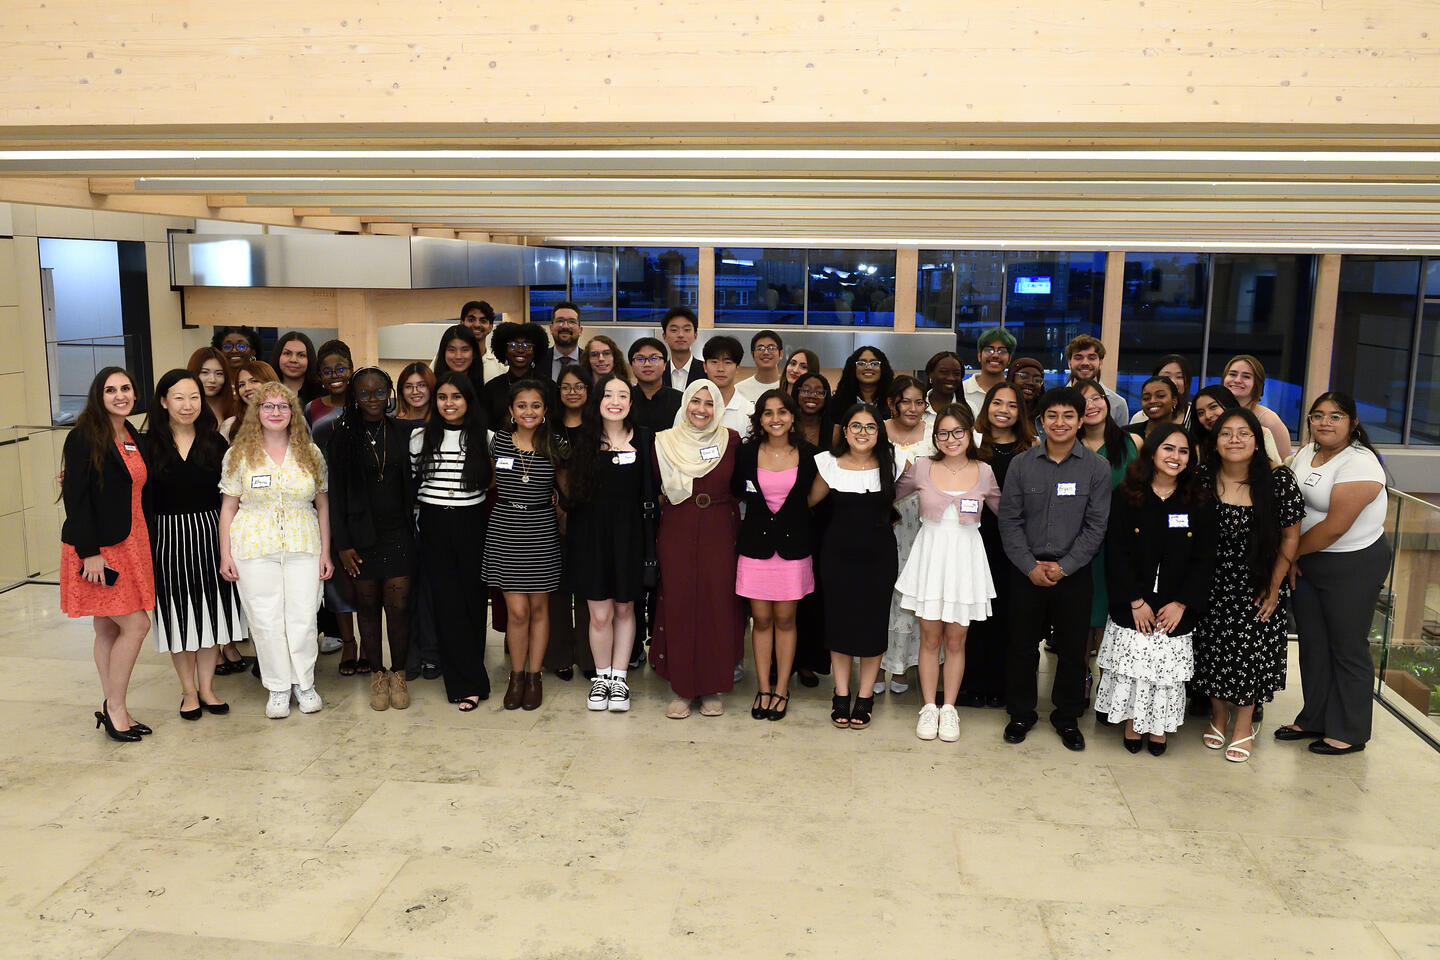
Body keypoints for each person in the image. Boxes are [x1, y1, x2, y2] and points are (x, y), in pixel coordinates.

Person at [998, 386, 1111, 752]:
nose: (1059, 423)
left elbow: (1096, 526)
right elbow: (1009, 521)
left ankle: (1067, 716)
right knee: (1020, 647)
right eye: (1052, 416)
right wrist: (1030, 566)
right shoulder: (1021, 464)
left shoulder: (1097, 467)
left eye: (1068, 416)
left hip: (1074, 574)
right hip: (1026, 571)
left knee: (1073, 651)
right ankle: (1020, 713)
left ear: (1080, 421)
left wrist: (1064, 567)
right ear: (1040, 421)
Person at [1095, 425, 1216, 755]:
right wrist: (1134, 600)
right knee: (1134, 665)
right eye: (1168, 448)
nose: (1175, 457)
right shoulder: (1127, 494)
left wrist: (1182, 603)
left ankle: (1160, 727)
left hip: (1176, 605)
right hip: (1134, 600)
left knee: (1165, 670)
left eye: (1183, 451)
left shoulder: (1198, 499)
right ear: (1151, 452)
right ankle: (1133, 723)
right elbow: (1115, 551)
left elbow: (1205, 558)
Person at [1191, 407, 1303, 762]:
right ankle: (1218, 716)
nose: (1234, 439)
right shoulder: (1202, 477)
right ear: (1215, 440)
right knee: (1208, 651)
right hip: (1208, 580)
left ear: (1258, 440)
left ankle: (1242, 724)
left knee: (1248, 656)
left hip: (1257, 582)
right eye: (1226, 433)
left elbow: (1289, 538)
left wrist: (1274, 586)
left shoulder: (1278, 480)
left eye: (1244, 433)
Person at [1280, 392, 1390, 755]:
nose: (1325, 422)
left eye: (1336, 416)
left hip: (1352, 564)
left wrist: (1290, 556)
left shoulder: (1361, 463)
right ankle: (1314, 718)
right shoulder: (1304, 455)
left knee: (1346, 646)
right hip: (1308, 560)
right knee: (1312, 643)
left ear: (1353, 423)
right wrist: (1294, 558)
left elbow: (1336, 526)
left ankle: (1350, 730)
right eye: (1318, 415)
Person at [218, 382, 333, 720]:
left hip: (304, 543)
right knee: (265, 619)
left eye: (283, 406)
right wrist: (225, 554)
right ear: (257, 412)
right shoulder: (238, 454)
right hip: (253, 545)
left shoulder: (310, 453)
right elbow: (228, 507)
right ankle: (278, 687)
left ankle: (304, 683)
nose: (275, 412)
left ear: (293, 412)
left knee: (302, 616)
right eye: (268, 406)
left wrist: (326, 552)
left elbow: (322, 504)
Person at [60, 367, 156, 742]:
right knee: (136, 625)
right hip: (100, 549)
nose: (121, 396)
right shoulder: (83, 437)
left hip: (132, 541)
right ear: (98, 395)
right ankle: (114, 708)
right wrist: (90, 553)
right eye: (111, 390)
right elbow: (76, 499)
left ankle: (116, 706)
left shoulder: (131, 432)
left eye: (126, 388)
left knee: (107, 626)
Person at [894, 404, 1000, 742]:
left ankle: (949, 708)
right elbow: (889, 496)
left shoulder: (984, 471)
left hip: (966, 559)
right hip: (931, 555)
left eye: (958, 432)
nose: (951, 439)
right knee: (929, 637)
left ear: (970, 433)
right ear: (935, 437)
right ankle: (928, 706)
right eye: (943, 433)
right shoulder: (922, 468)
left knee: (956, 640)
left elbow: (1008, 512)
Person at [143, 369, 244, 720]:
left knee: (210, 615)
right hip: (166, 539)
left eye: (194, 397)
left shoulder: (216, 443)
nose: (188, 405)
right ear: (163, 401)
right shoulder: (147, 445)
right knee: (178, 617)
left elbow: (232, 495)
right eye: (179, 397)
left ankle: (207, 689)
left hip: (209, 534)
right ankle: (188, 692)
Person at [650, 379, 746, 718]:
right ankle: (681, 687)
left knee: (717, 604)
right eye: (695, 401)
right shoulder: (664, 442)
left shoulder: (731, 440)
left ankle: (710, 686)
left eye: (709, 403)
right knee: (678, 601)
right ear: (685, 403)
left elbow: (740, 485)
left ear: (717, 407)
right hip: (678, 524)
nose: (701, 409)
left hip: (720, 528)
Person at [565, 374, 654, 712]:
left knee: (625, 607)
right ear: (597, 401)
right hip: (590, 536)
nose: (615, 401)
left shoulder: (645, 439)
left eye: (622, 396)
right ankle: (601, 678)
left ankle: (620, 679)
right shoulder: (581, 440)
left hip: (630, 535)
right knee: (598, 614)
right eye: (608, 395)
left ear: (631, 403)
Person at [328, 367, 415, 712]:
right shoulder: (342, 437)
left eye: (380, 392)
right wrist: (342, 544)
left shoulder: (404, 431)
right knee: (367, 608)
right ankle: (377, 673)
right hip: (359, 538)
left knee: (398, 609)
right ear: (354, 397)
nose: (373, 400)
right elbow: (334, 496)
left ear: (390, 392)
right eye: (364, 394)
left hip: (399, 534)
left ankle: (399, 672)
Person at [809, 402, 900, 730]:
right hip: (837, 557)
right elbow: (809, 502)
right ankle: (841, 692)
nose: (863, 432)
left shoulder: (895, 463)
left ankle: (865, 697)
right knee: (840, 624)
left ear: (880, 432)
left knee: (873, 625)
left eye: (870, 426)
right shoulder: (828, 463)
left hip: (879, 559)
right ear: (844, 431)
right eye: (856, 426)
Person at [410, 372, 493, 711]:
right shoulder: (419, 438)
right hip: (434, 523)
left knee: (473, 602)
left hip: (472, 523)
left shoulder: (485, 438)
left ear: (468, 401)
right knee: (446, 604)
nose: (449, 403)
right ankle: (464, 684)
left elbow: (492, 482)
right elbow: (414, 485)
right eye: (442, 397)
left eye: (456, 397)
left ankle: (474, 676)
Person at [733, 389, 817, 722]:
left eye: (782, 412)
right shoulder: (746, 452)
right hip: (755, 548)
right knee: (762, 620)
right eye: (768, 413)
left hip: (793, 549)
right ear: (760, 419)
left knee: (785, 619)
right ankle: (763, 687)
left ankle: (782, 688)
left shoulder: (810, 454)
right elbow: (738, 491)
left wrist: (795, 512)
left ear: (793, 416)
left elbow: (815, 494)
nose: (776, 419)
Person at [482, 379, 565, 710]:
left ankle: (534, 677)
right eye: (522, 405)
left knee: (539, 608)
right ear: (511, 410)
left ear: (545, 410)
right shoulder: (498, 442)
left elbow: (567, 490)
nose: (528, 411)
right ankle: (516, 676)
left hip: (541, 529)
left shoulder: (556, 444)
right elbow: (489, 482)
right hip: (505, 528)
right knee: (516, 612)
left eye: (535, 405)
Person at [959, 382, 1036, 708]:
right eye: (997, 403)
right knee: (974, 616)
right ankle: (972, 684)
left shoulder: (1030, 450)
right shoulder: (972, 446)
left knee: (1008, 615)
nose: (1003, 410)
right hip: (974, 539)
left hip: (1014, 545)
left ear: (1021, 412)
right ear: (986, 407)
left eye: (1012, 405)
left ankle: (1003, 686)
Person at [1076, 377, 1140, 664]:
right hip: (1076, 543)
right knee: (1080, 616)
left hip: (1118, 543)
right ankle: (1081, 681)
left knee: (1110, 616)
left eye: (1096, 397)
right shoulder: (1067, 444)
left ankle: (1108, 685)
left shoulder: (1131, 443)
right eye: (1083, 400)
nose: (1091, 405)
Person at [880, 375, 936, 695]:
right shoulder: (877, 430)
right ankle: (877, 668)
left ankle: (903, 668)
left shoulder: (934, 433)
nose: (913, 408)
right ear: (893, 403)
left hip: (924, 525)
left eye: (919, 402)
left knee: (914, 595)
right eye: (906, 401)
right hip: (886, 523)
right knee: (884, 595)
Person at [547, 366, 596, 682]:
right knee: (558, 589)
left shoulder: (598, 427)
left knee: (590, 589)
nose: (573, 392)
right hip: (553, 517)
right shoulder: (548, 429)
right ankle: (560, 656)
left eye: (579, 386)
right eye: (566, 386)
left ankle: (590, 657)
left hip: (592, 516)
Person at [1221, 354, 1293, 460]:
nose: (1237, 380)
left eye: (1246, 376)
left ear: (1257, 383)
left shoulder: (1269, 420)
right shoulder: (1217, 413)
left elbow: (1285, 466)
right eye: (1232, 374)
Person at [1190, 384, 1282, 464]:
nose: (1208, 415)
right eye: (1201, 413)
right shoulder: (1198, 447)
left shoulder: (1261, 433)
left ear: (1228, 404)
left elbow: (1275, 470)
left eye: (1213, 407)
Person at [484, 320, 552, 426]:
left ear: (535, 352)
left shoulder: (548, 386)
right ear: (504, 350)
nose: (520, 350)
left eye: (527, 345)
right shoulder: (492, 388)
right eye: (513, 345)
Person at [1065, 334, 1129, 425]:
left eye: (1091, 358)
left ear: (1101, 362)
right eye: (1078, 358)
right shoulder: (1054, 400)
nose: (1085, 363)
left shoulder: (1118, 404)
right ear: (1069, 363)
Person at [829, 346, 894, 432]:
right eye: (862, 363)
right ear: (853, 368)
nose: (868, 367)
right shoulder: (836, 403)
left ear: (883, 368)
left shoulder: (893, 402)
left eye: (874, 363)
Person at [702, 335, 755, 434]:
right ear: (705, 366)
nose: (720, 368)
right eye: (714, 362)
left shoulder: (749, 412)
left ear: (737, 368)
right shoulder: (689, 409)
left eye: (727, 362)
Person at [628, 337, 682, 432]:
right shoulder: (625, 400)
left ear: (665, 364)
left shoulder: (681, 400)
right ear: (632, 366)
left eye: (654, 358)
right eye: (640, 359)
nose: (647, 364)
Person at [220, 359, 278, 443]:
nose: (247, 388)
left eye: (254, 381)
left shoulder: (291, 418)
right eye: (241, 385)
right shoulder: (230, 425)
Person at [432, 324, 491, 405]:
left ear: (474, 353)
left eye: (465, 350)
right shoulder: (431, 390)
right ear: (443, 353)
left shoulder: (487, 394)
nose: (458, 356)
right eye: (452, 350)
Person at [962, 329, 1014, 417]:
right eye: (989, 350)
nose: (995, 355)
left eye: (1002, 351)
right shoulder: (962, 390)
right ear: (979, 356)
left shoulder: (1016, 392)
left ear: (1009, 359)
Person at [1129, 354, 1192, 426]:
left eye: (1179, 377)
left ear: (1187, 382)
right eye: (1166, 377)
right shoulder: (1139, 418)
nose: (1173, 382)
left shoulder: (1195, 416)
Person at [306, 339, 352, 434]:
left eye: (340, 369)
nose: (334, 376)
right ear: (320, 376)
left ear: (351, 370)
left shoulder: (363, 405)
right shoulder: (311, 408)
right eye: (327, 372)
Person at [459, 299, 507, 382]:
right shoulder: (449, 359)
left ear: (490, 327)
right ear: (462, 323)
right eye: (471, 320)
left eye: (483, 321)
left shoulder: (500, 367)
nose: (477, 325)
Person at [187, 346, 236, 427]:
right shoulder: (185, 408)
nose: (212, 380)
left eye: (219, 373)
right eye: (205, 372)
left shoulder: (235, 406)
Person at [1126, 375, 1183, 441]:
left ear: (1174, 401)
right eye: (1146, 398)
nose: (1152, 401)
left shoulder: (1183, 436)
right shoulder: (1127, 434)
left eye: (1160, 396)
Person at [271, 331, 322, 404]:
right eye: (287, 353)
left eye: (301, 355)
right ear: (278, 356)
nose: (293, 360)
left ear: (310, 359)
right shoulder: (264, 391)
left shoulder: (322, 395)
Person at [660, 306, 705, 390]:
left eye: (687, 330)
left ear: (695, 335)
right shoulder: (658, 372)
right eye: (674, 330)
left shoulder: (706, 371)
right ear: (664, 336)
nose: (681, 334)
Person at [735, 329, 785, 404]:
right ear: (752, 354)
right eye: (760, 348)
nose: (766, 352)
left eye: (771, 348)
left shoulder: (787, 387)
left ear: (781, 354)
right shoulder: (739, 390)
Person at [924, 350, 966, 421]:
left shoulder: (969, 408)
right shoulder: (916, 407)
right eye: (944, 372)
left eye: (956, 373)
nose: (951, 378)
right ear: (930, 374)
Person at [548, 301, 584, 379]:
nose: (565, 326)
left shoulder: (590, 361)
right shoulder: (539, 360)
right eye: (560, 321)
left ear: (580, 330)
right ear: (551, 328)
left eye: (572, 321)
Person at [393, 361, 435, 425]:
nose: (415, 392)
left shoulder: (441, 423)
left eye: (421, 385)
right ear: (401, 391)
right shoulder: (393, 424)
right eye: (408, 386)